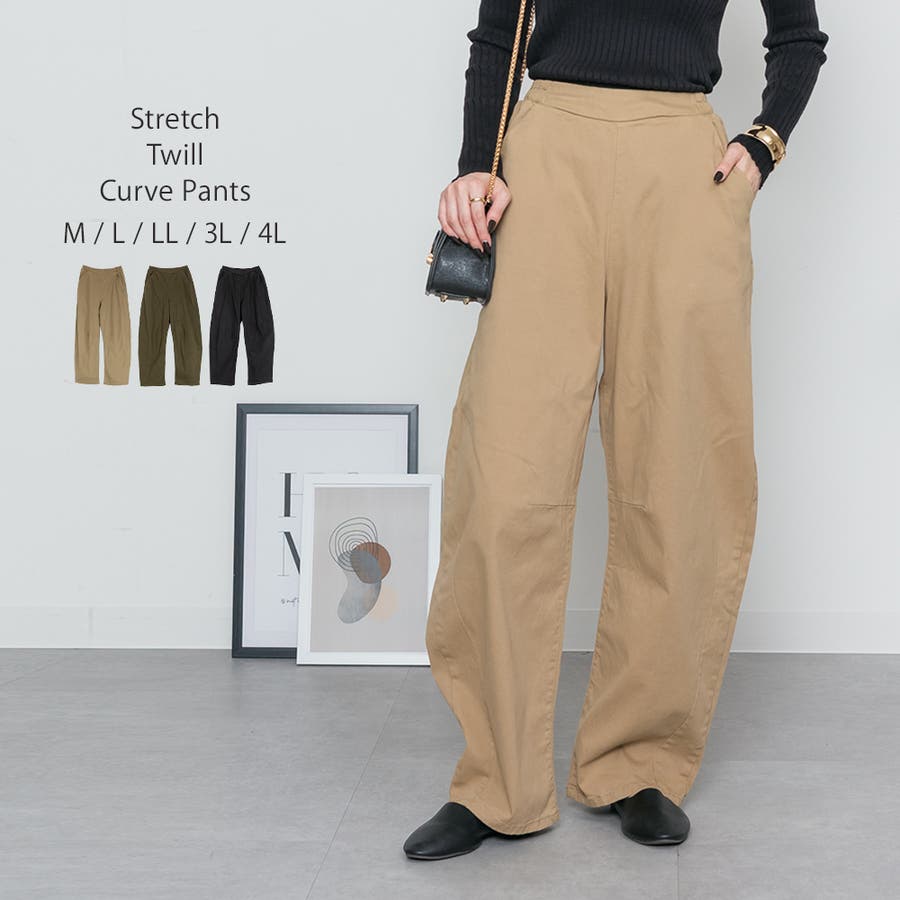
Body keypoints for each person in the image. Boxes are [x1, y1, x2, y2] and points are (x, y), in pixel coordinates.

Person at [405, 0, 828, 860]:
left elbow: (799, 39)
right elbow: (499, 34)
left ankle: (639, 762)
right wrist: (475, 165)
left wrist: (762, 146)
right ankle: (496, 782)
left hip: (684, 166)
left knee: (678, 471)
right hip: (546, 152)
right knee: (506, 476)